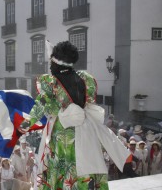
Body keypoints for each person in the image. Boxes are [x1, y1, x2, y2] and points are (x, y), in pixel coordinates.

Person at [17, 41, 130, 189]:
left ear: (55, 62)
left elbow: (39, 108)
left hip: (63, 134)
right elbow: (89, 102)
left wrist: (23, 126)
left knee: (63, 169)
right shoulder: (86, 79)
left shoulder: (52, 83)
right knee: (87, 165)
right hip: (86, 129)